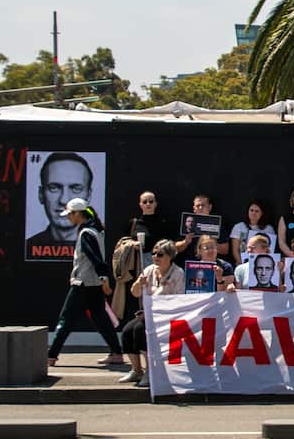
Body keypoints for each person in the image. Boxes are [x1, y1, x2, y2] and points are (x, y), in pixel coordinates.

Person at [46, 198, 124, 367]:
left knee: (65, 319)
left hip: (83, 283)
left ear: (77, 214)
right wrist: (103, 278)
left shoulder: (86, 233)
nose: (68, 218)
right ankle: (117, 353)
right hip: (93, 284)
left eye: (70, 215)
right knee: (101, 318)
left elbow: (94, 256)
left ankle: (51, 356)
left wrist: (104, 277)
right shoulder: (94, 230)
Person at [119, 239, 185, 388]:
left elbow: (179, 300)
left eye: (160, 254)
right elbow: (135, 293)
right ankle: (137, 370)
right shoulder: (149, 270)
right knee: (127, 331)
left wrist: (157, 311)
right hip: (148, 315)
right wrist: (138, 284)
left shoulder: (178, 273)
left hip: (167, 316)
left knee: (140, 330)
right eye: (154, 253)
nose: (155, 257)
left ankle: (150, 371)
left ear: (170, 256)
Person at [27, 152, 95, 258]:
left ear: (89, 196)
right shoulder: (28, 247)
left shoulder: (101, 246)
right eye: (54, 188)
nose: (64, 200)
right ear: (41, 195)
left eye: (76, 189)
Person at [176, 194, 226, 259]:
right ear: (194, 208)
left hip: (211, 264)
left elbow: (226, 250)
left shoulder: (217, 224)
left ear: (210, 207)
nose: (200, 208)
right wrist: (185, 242)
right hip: (189, 263)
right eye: (198, 206)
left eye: (203, 205)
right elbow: (174, 249)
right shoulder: (186, 222)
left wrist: (213, 244)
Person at [230, 198, 275, 262]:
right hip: (242, 263)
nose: (254, 213)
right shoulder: (239, 227)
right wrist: (241, 264)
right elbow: (235, 251)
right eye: (251, 210)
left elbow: (270, 250)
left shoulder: (269, 229)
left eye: (257, 211)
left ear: (262, 213)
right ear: (248, 211)